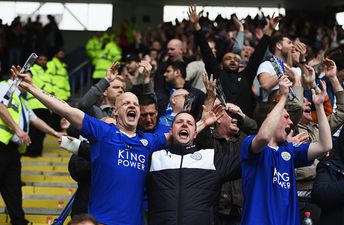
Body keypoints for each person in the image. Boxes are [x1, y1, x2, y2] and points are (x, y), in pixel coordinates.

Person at [11, 66, 217, 225]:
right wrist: (31, 87)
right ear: (115, 112)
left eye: (135, 104)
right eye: (126, 103)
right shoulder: (103, 132)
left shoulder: (147, 142)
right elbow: (67, 110)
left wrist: (204, 122)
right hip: (100, 221)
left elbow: (182, 133)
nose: (132, 106)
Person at [240, 76, 332, 225]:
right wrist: (283, 97)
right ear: (272, 118)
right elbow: (263, 137)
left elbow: (325, 145)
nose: (290, 122)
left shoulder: (289, 150)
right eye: (286, 117)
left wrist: (320, 106)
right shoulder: (250, 143)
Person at [188, 5, 280, 118]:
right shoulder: (217, 74)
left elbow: (258, 55)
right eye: (228, 58)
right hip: (220, 123)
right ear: (221, 64)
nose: (233, 60)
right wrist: (196, 25)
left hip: (245, 128)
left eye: (236, 59)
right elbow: (206, 51)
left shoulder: (246, 76)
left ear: (240, 64)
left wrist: (270, 29)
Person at [0, 74, 62, 225]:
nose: (29, 83)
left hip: (13, 149)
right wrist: (17, 130)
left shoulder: (22, 100)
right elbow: (0, 107)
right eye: (26, 79)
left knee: (13, 187)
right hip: (1, 143)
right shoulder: (4, 86)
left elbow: (35, 120)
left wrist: (55, 133)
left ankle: (19, 221)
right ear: (16, 77)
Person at [25, 53, 54, 157]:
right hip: (35, 104)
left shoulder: (47, 74)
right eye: (40, 59)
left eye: (44, 59)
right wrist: (48, 90)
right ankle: (29, 152)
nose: (42, 61)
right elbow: (32, 82)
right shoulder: (32, 70)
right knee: (33, 131)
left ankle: (37, 152)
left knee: (41, 132)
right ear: (37, 61)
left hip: (46, 106)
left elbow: (53, 89)